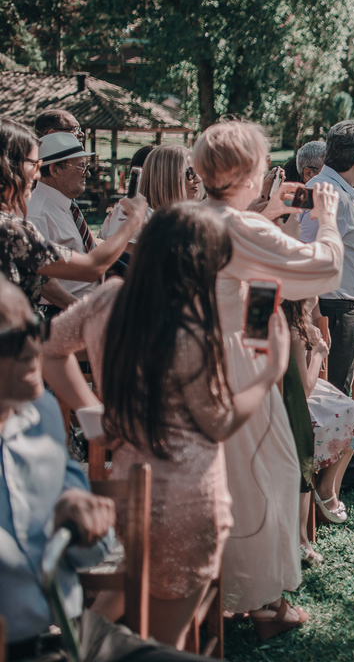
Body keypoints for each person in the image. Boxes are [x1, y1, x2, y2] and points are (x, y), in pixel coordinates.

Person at [44, 204, 293, 645]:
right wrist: (268, 374)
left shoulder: (107, 298)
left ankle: (74, 644)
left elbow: (50, 350)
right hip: (189, 501)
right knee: (164, 646)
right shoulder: (193, 323)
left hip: (127, 494)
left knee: (120, 608)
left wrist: (93, 416)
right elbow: (218, 425)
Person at [0, 277, 213, 662]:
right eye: (13, 341)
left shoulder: (42, 413)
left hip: (73, 632)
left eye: (34, 330)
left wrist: (78, 518)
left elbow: (93, 551)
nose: (33, 349)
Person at [191, 119, 344, 631]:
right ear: (247, 172)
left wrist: (272, 214)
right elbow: (321, 273)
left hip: (197, 359)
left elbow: (251, 291)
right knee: (266, 477)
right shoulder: (242, 228)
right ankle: (261, 604)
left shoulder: (193, 219)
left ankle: (226, 591)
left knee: (226, 481)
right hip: (237, 368)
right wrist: (326, 219)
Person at [297, 120, 354, 491]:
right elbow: (305, 245)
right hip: (330, 308)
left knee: (340, 391)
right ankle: (332, 481)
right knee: (335, 394)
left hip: (340, 305)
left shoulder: (338, 189)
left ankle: (346, 473)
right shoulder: (323, 192)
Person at [0, 123, 146, 318]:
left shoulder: (62, 208)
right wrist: (133, 221)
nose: (36, 174)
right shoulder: (18, 226)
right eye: (34, 164)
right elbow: (90, 267)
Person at [281, 299, 354, 551]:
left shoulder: (282, 323)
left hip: (279, 397)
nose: (317, 298)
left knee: (352, 410)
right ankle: (326, 491)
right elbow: (305, 390)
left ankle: (327, 490)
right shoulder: (292, 334)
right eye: (313, 295)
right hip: (293, 406)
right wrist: (317, 355)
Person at [26, 133, 103, 313]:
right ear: (54, 170)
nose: (88, 173)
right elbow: (43, 282)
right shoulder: (37, 213)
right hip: (61, 313)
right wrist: (84, 312)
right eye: (82, 167)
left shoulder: (65, 205)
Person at [99, 144, 199, 242]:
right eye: (191, 172)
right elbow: (126, 257)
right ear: (167, 176)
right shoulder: (132, 214)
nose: (198, 179)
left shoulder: (169, 214)